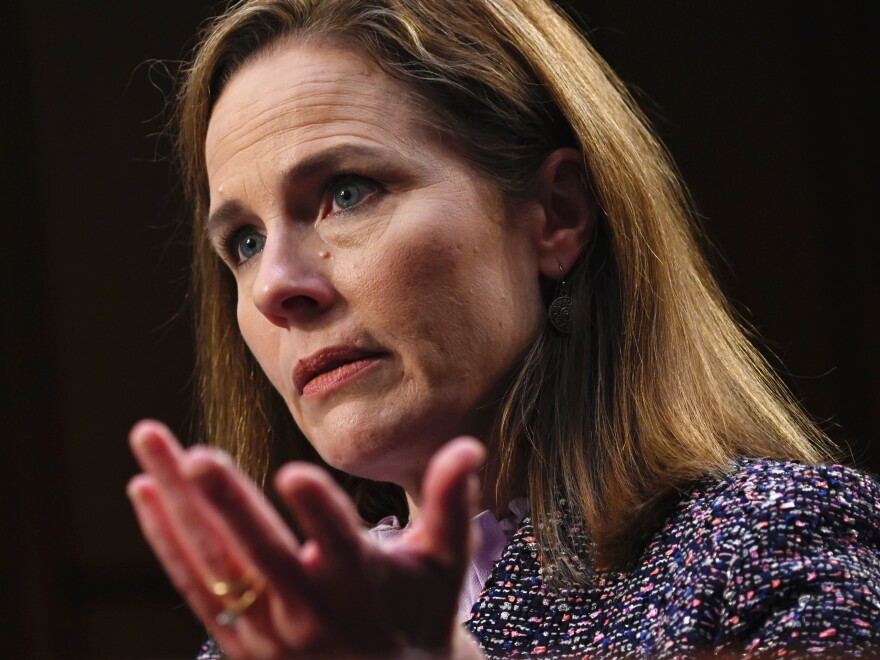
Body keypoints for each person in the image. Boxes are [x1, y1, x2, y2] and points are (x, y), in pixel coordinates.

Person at [127, 0, 880, 657]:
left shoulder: (767, 545)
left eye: (346, 193)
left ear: (557, 215)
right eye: (244, 243)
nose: (275, 288)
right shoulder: (273, 643)